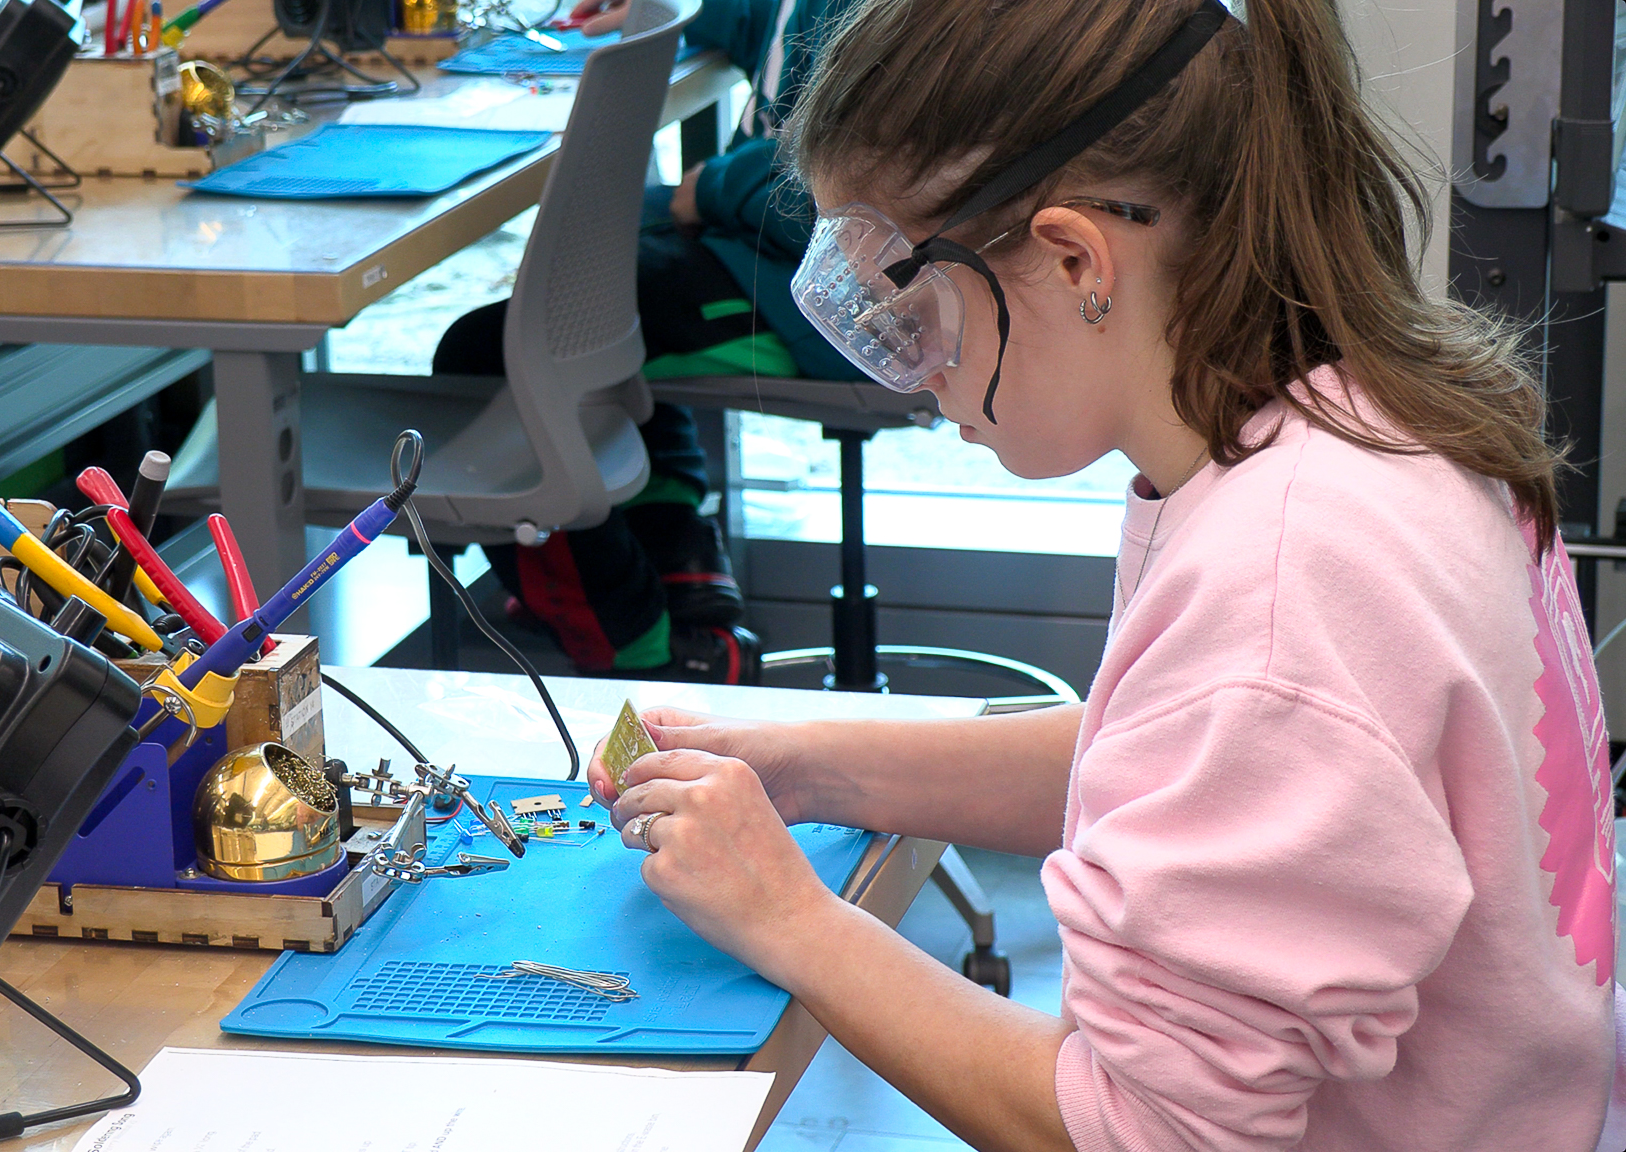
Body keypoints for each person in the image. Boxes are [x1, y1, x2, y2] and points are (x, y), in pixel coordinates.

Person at [587, 0, 1626, 1148]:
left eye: (916, 308)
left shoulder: (1283, 588)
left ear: (1077, 258)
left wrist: (783, 916)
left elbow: (1133, 1133)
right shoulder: (1359, 420)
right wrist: (803, 766)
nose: (915, 370)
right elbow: (1175, 770)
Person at [432, 0, 863, 684]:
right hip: (784, 255)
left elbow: (849, 188)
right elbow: (795, 35)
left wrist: (713, 189)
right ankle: (676, 559)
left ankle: (639, 646)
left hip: (830, 299)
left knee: (495, 356)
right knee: (598, 265)